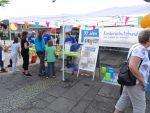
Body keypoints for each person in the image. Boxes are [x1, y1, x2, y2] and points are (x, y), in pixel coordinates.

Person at [114, 28, 150, 113]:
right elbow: (132, 66)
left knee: (124, 99)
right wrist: (142, 81)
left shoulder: (136, 46)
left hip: (130, 79)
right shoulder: (140, 49)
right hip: (135, 82)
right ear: (148, 39)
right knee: (140, 107)